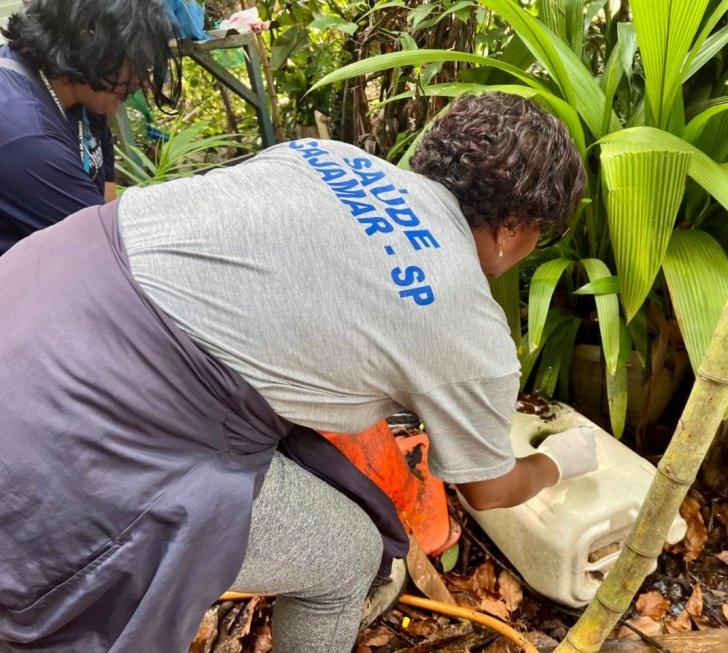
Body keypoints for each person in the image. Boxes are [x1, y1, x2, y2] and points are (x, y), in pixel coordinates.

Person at [0, 92, 594, 652]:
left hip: (32, 289)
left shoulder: (325, 155)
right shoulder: (465, 316)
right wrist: (560, 461)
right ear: (516, 227)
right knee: (347, 555)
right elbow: (488, 489)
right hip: (81, 425)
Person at [0, 0, 180, 255]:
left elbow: (106, 200)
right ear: (90, 39)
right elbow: (110, 253)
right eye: (139, 63)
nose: (143, 82)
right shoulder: (29, 138)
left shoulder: (81, 89)